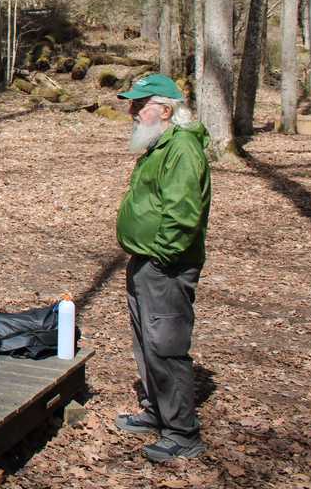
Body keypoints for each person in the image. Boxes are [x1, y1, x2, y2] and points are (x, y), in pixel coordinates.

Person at [114, 73, 210, 462]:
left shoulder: (183, 149)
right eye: (133, 104)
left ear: (166, 109)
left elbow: (183, 216)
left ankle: (182, 433)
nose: (132, 111)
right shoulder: (160, 145)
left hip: (165, 266)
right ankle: (158, 413)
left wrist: (161, 258)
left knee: (166, 347)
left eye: (140, 104)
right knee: (147, 344)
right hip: (147, 262)